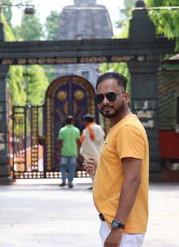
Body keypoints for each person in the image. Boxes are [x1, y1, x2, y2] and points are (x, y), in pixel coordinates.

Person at [83, 72, 149, 247]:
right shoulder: (118, 127)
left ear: (125, 97)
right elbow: (122, 169)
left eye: (111, 96)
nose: (105, 101)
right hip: (114, 222)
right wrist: (103, 167)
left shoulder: (127, 129)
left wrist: (118, 227)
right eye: (100, 97)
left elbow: (133, 180)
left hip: (123, 227)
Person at [80, 113, 105, 189]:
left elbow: (85, 142)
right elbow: (102, 138)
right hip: (99, 151)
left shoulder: (87, 129)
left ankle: (95, 183)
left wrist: (82, 151)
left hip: (90, 152)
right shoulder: (99, 127)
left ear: (86, 121)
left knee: (91, 168)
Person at [58, 116, 81, 189]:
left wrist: (59, 151)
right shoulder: (76, 130)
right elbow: (78, 142)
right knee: (72, 167)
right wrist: (78, 150)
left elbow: (60, 142)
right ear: (73, 122)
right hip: (73, 152)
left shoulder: (62, 130)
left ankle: (64, 180)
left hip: (64, 152)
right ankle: (70, 182)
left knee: (63, 167)